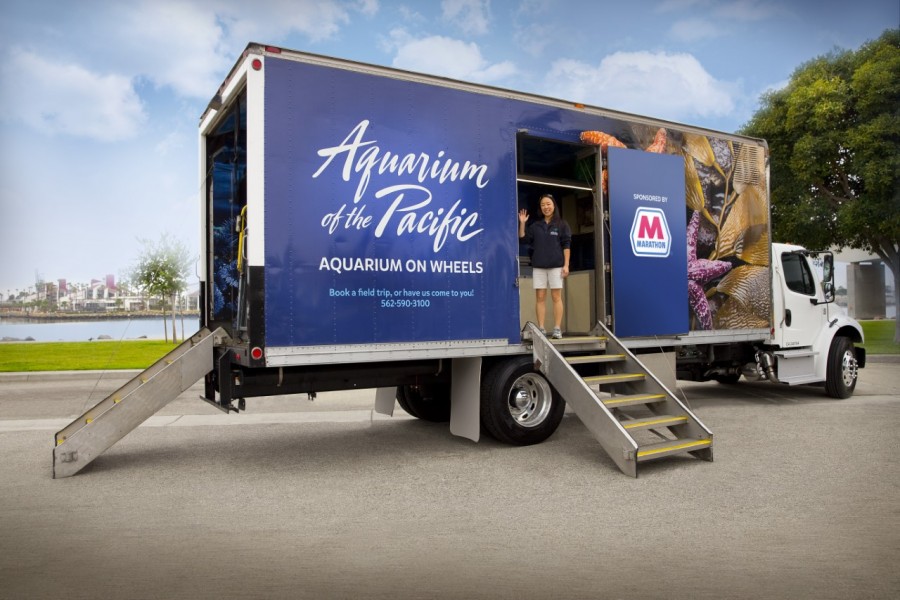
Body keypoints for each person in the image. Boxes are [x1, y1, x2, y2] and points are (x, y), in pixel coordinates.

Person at [518, 193, 571, 339]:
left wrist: (566, 265)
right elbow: (523, 239)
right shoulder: (536, 225)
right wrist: (522, 223)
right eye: (543, 205)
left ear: (554, 205)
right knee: (540, 297)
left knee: (556, 297)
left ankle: (557, 328)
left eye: (548, 204)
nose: (546, 207)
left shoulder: (562, 224)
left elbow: (566, 245)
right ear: (540, 208)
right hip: (539, 266)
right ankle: (541, 328)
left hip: (556, 266)